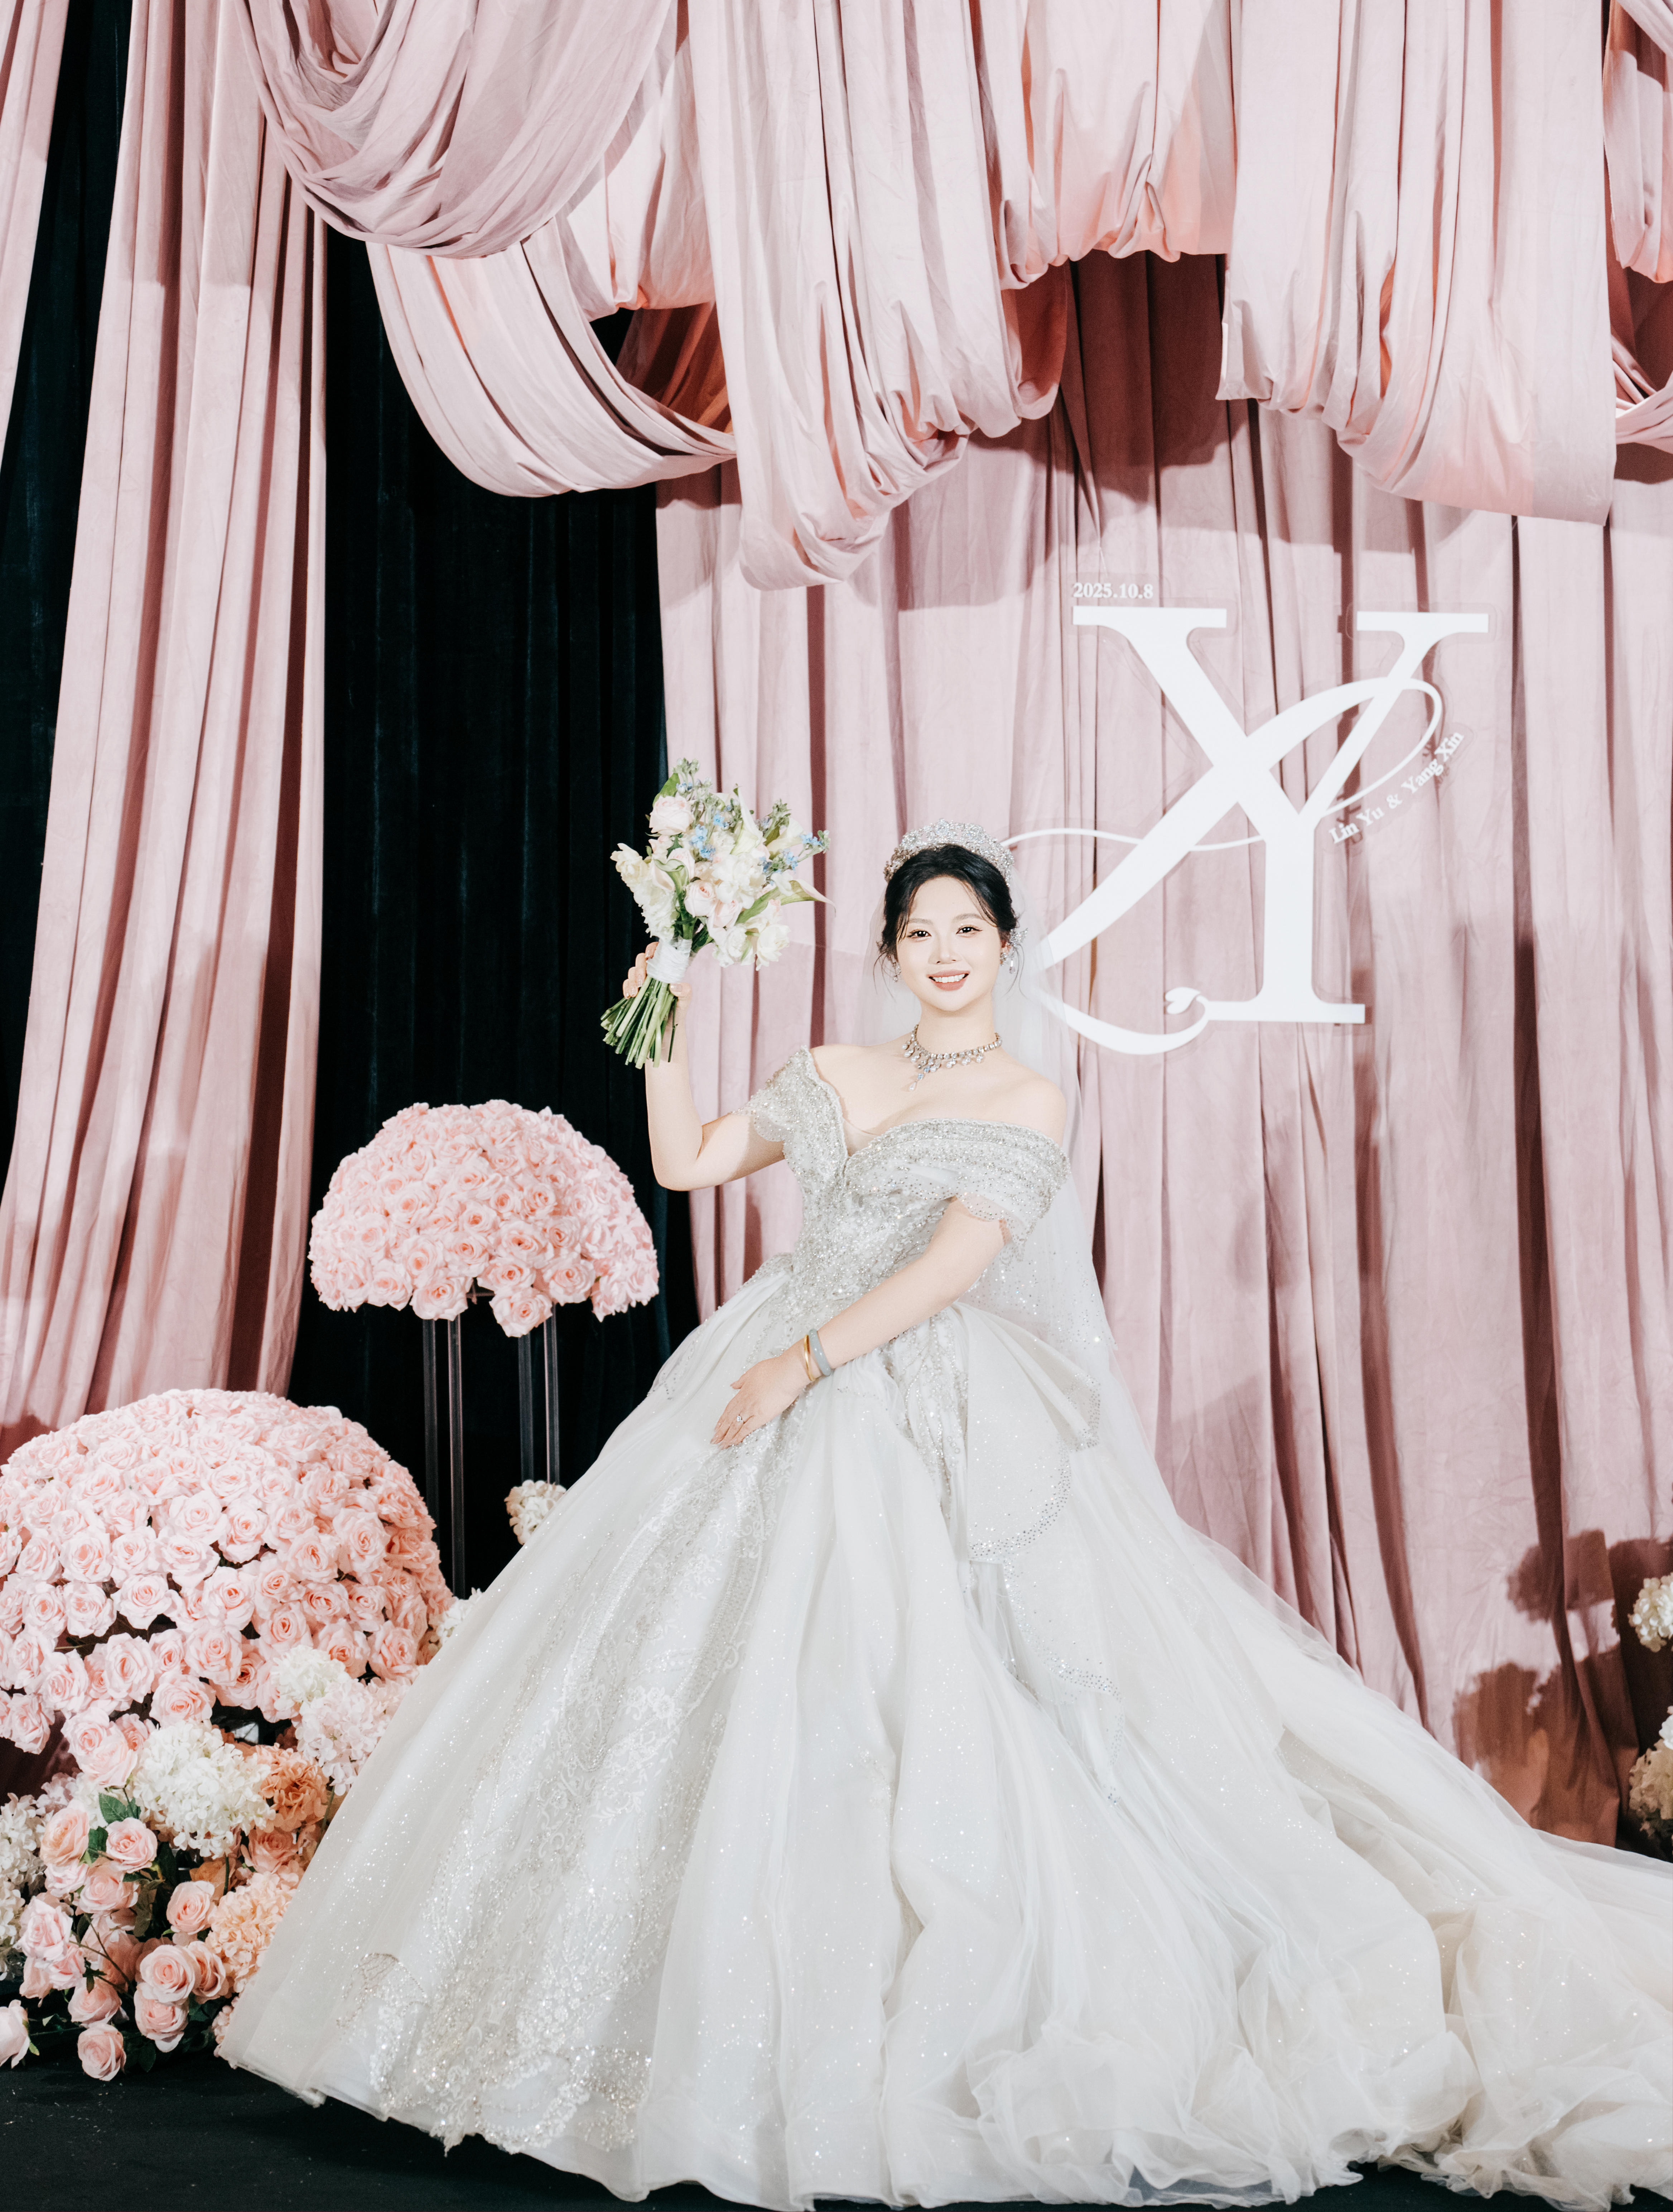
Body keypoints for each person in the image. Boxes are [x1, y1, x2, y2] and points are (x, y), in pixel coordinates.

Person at [226, 822, 1672, 2212]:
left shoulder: (1028, 1099)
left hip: (895, 1387)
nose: (944, 952)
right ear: (888, 950)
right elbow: (688, 1162)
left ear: (1004, 945)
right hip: (762, 1364)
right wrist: (666, 1003)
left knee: (922, 1683)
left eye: (966, 929)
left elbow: (951, 1266)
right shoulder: (833, 1070)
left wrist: (806, 1360)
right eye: (919, 931)